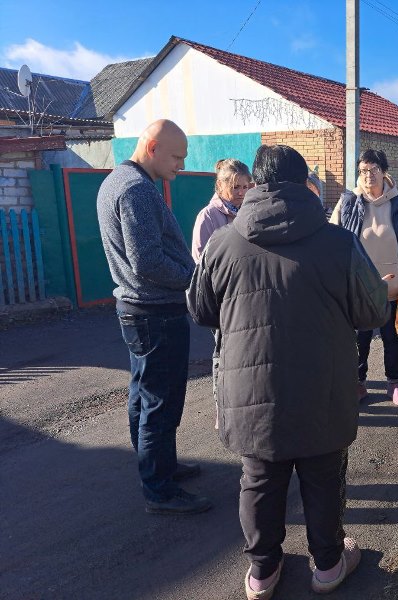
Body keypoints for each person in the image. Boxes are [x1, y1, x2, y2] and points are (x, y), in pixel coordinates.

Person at [187, 144, 390, 598]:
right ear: (305, 185)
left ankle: (262, 573)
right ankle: (327, 567)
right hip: (324, 387)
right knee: (321, 474)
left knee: (259, 479)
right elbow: (374, 308)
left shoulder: (222, 243)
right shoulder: (339, 242)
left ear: (255, 185)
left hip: (249, 388)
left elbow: (200, 309)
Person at [97, 119, 211, 515]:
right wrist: (196, 281)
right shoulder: (135, 190)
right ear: (152, 148)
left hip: (141, 311)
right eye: (177, 157)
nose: (180, 165)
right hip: (154, 313)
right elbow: (147, 263)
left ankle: (158, 467)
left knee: (144, 395)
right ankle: (159, 490)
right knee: (160, 401)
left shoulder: (118, 181)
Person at [330, 149, 398, 407]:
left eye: (373, 170)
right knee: (358, 340)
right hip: (358, 289)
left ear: (384, 172)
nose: (368, 176)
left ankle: (395, 383)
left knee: (392, 339)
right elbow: (333, 240)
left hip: (393, 288)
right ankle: (358, 383)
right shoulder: (349, 203)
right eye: (363, 171)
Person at [191, 159, 253, 430]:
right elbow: (201, 262)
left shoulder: (249, 212)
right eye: (235, 186)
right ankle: (222, 408)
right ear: (220, 185)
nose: (241, 192)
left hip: (248, 297)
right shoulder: (208, 216)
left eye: (245, 186)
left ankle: (246, 404)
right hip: (223, 300)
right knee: (223, 355)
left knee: (246, 355)